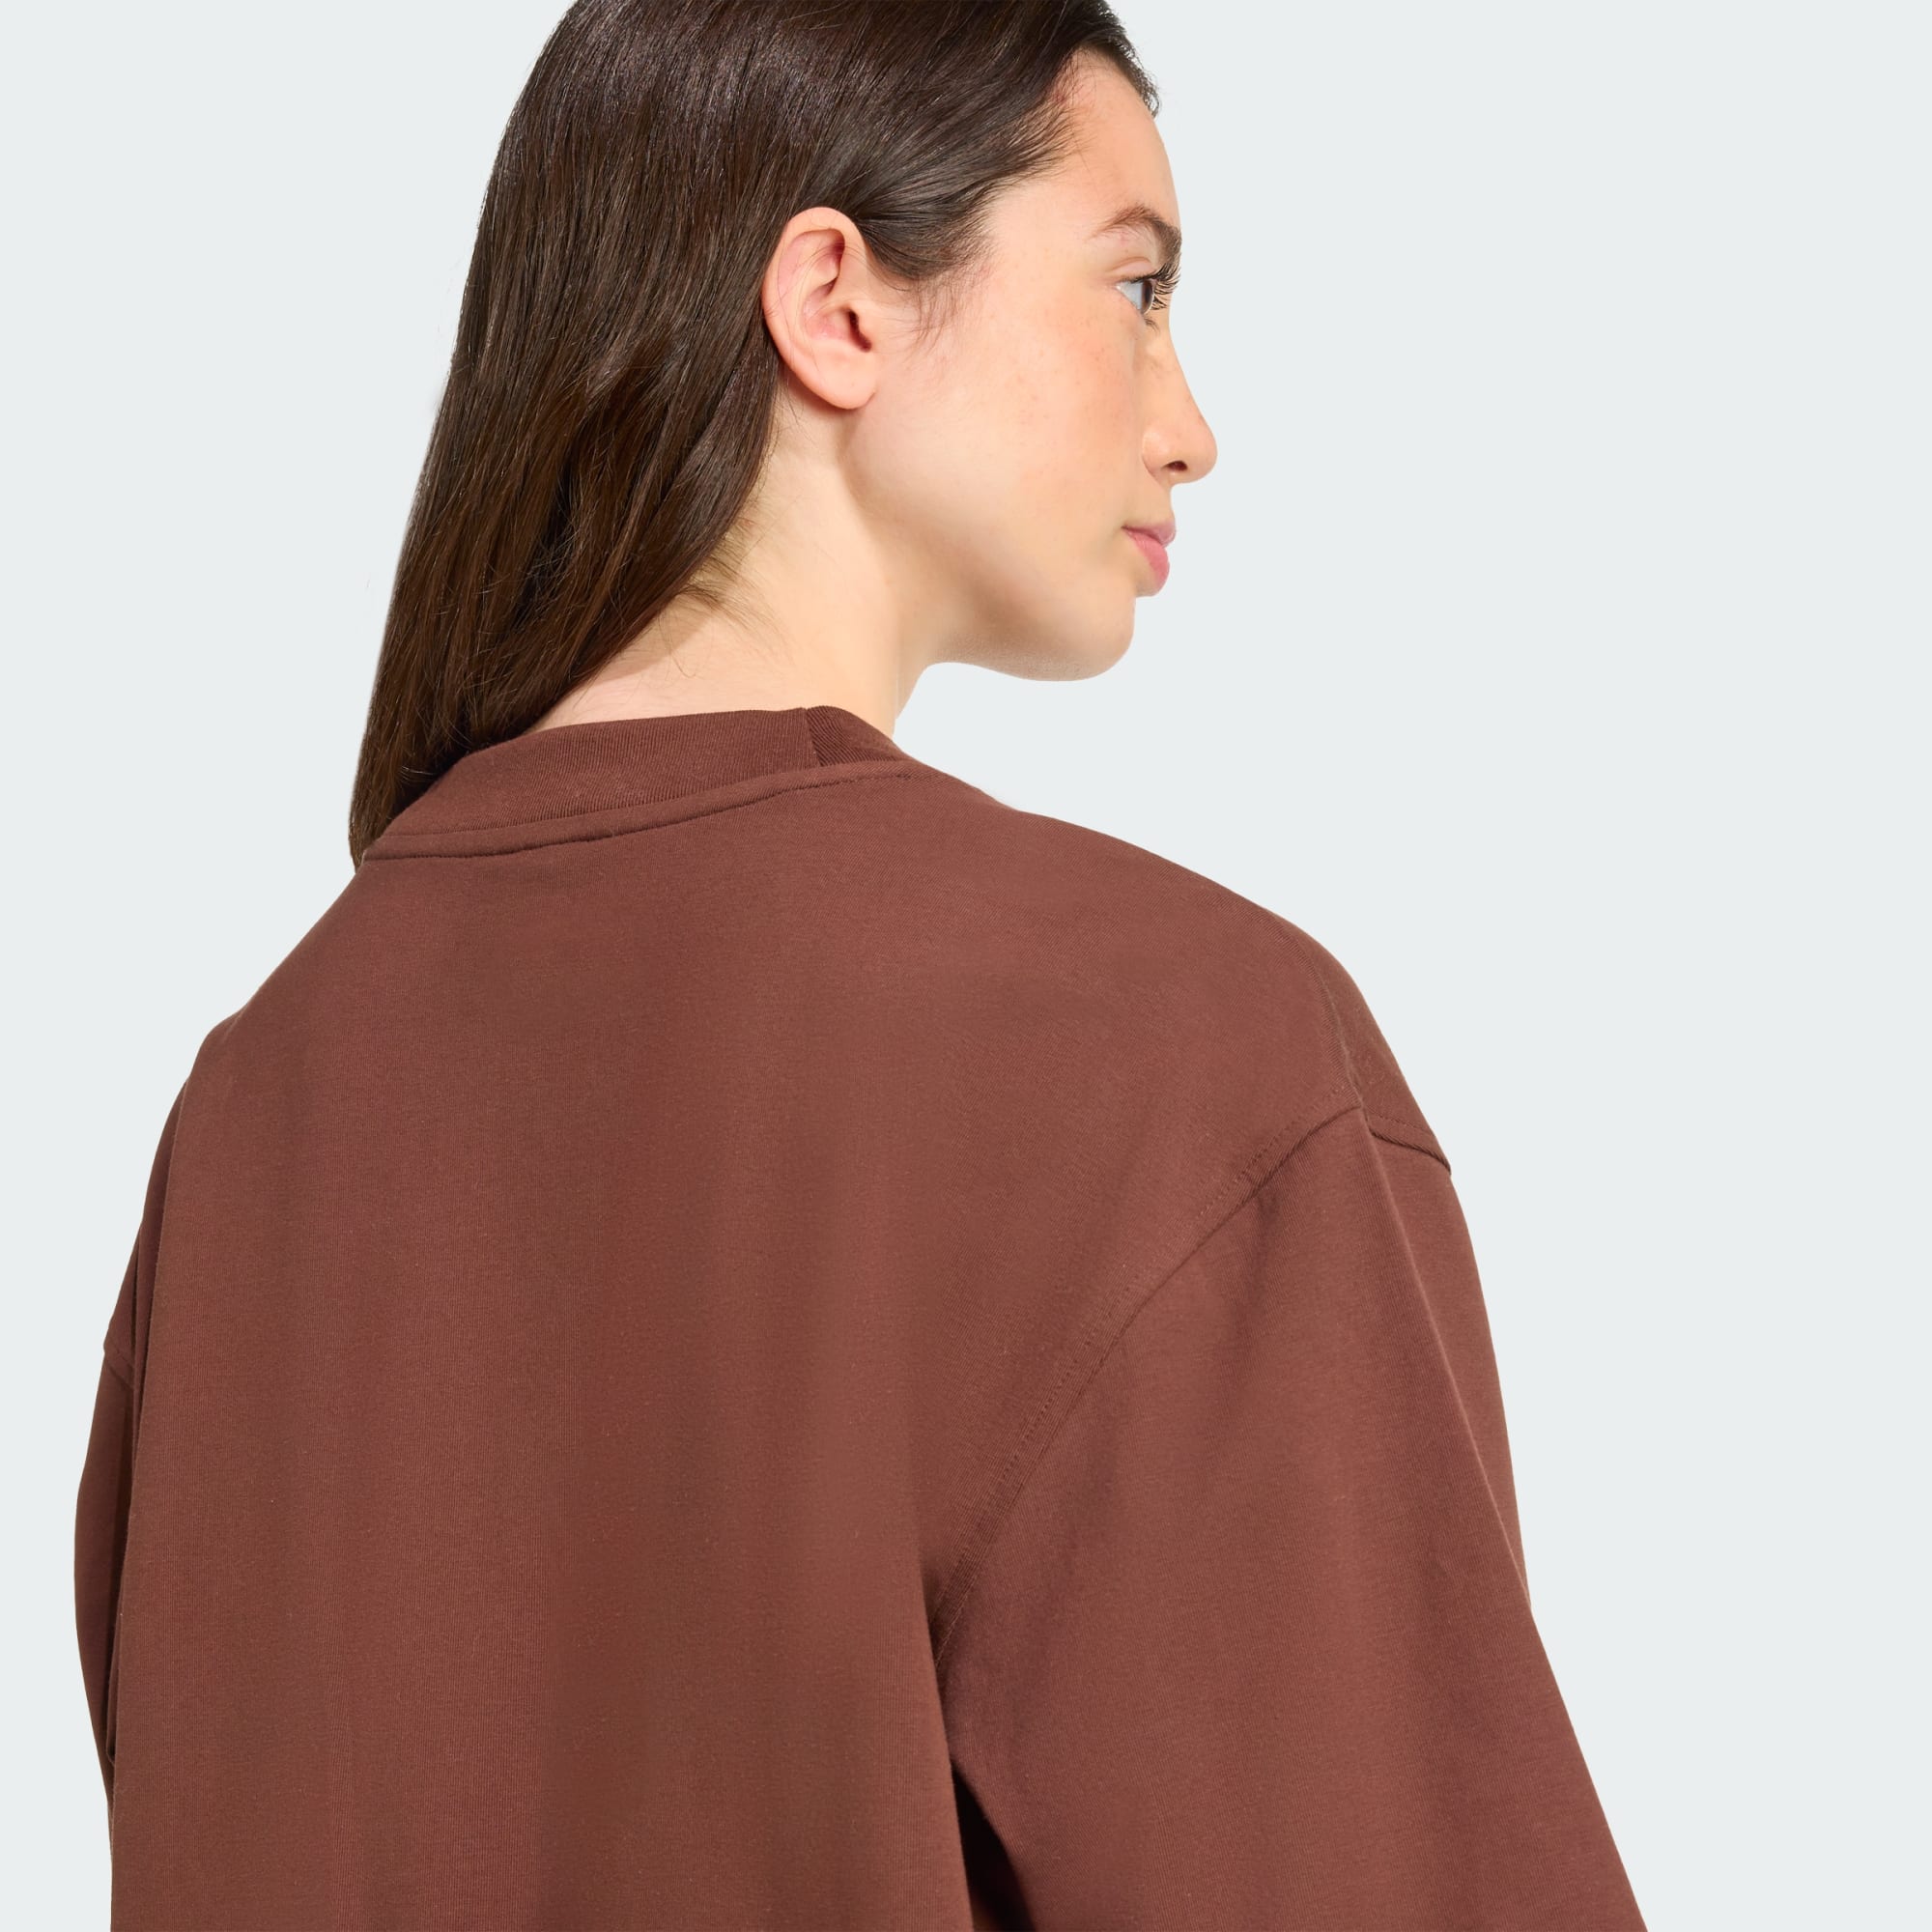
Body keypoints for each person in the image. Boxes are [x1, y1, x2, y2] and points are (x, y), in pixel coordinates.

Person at [73, 2, 1648, 1926]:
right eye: (1136, 286)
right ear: (837, 304)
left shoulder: (258, 1111)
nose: (1191, 424)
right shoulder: (1164, 1050)